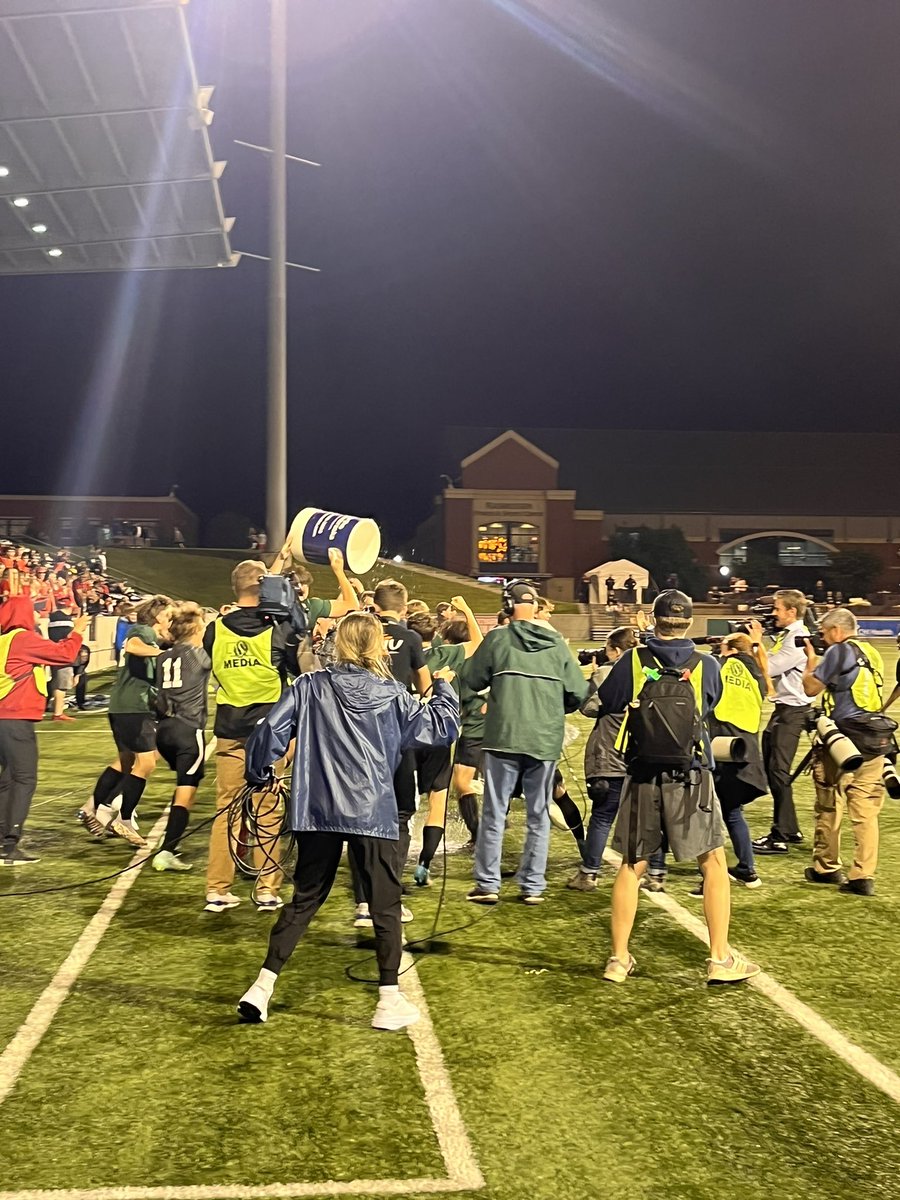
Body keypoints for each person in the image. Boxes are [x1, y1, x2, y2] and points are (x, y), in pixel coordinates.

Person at [235, 612, 460, 1029]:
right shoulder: (394, 694)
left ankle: (262, 986)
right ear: (376, 647)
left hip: (316, 811)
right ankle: (388, 1000)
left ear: (338, 644)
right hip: (372, 812)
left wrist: (259, 772)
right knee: (385, 905)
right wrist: (444, 686)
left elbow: (269, 730)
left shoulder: (308, 687)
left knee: (305, 899)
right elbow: (440, 729)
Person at [598, 589, 759, 985]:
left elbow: (608, 700)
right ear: (689, 622)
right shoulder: (706, 664)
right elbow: (711, 704)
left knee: (631, 865)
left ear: (653, 620)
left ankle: (618, 959)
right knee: (714, 863)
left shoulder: (635, 660)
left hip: (641, 773)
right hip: (692, 774)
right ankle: (719, 959)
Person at [460, 580, 588, 905]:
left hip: (504, 736)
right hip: (543, 739)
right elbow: (577, 692)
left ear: (507, 606)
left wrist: (485, 702)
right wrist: (550, 709)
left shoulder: (498, 639)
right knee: (538, 813)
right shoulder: (557, 643)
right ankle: (532, 886)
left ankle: (488, 884)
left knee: (494, 812)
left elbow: (470, 680)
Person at [201, 560, 298, 913]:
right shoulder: (278, 629)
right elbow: (296, 672)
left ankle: (217, 888)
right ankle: (267, 890)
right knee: (268, 808)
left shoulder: (214, 629)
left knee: (226, 810)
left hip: (229, 727)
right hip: (269, 731)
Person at [801, 608, 890, 896]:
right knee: (865, 810)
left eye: (825, 633)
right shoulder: (872, 652)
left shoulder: (839, 651)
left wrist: (811, 662)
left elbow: (811, 689)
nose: (824, 639)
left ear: (838, 630)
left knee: (829, 803)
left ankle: (827, 867)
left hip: (841, 742)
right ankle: (863, 876)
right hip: (873, 739)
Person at [0, 596, 87, 864]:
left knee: (7, 780)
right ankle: (9, 844)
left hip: (4, 718)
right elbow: (63, 654)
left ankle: (3, 840)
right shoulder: (22, 639)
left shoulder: (4, 640)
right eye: (34, 612)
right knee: (25, 779)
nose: (39, 616)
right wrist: (78, 632)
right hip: (15, 719)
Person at [81, 595, 172, 847]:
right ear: (157, 616)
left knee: (128, 760)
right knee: (147, 761)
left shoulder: (152, 635)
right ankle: (122, 816)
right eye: (168, 616)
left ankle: (93, 808)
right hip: (133, 707)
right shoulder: (142, 631)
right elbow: (132, 645)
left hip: (124, 706)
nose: (170, 620)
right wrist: (163, 653)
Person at [407, 598, 483, 886]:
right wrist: (467, 610)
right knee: (436, 802)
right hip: (436, 735)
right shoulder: (446, 653)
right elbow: (478, 642)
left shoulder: (396, 654)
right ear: (434, 633)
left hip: (403, 735)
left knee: (401, 802)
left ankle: (391, 859)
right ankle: (423, 865)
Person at [689, 632, 769, 895]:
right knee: (732, 812)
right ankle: (747, 869)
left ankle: (709, 878)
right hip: (746, 751)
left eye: (722, 647)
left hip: (723, 748)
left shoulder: (725, 664)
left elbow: (700, 681)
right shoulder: (756, 674)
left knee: (709, 813)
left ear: (731, 650)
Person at [567, 627, 638, 892]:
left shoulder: (609, 673)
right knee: (644, 819)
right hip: (642, 754)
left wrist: (596, 673)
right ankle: (656, 872)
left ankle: (588, 874)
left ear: (616, 650)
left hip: (610, 754)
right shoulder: (650, 669)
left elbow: (588, 708)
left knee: (602, 817)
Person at [152, 603, 212, 872]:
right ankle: (167, 849)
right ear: (196, 630)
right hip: (188, 728)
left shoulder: (163, 657)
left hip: (164, 729)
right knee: (185, 792)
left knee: (183, 788)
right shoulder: (199, 656)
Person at [753, 589, 811, 856]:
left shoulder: (797, 638)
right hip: (783, 710)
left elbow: (771, 668)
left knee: (778, 772)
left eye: (777, 609)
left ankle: (780, 835)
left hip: (792, 711)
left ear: (791, 611)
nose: (772, 613)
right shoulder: (788, 635)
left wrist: (756, 644)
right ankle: (791, 827)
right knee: (774, 771)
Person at [46, 599, 78, 722]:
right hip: (62, 656)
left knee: (58, 683)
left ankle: (57, 711)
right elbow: (69, 638)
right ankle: (58, 713)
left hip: (56, 654)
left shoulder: (54, 618)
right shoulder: (64, 621)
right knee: (61, 685)